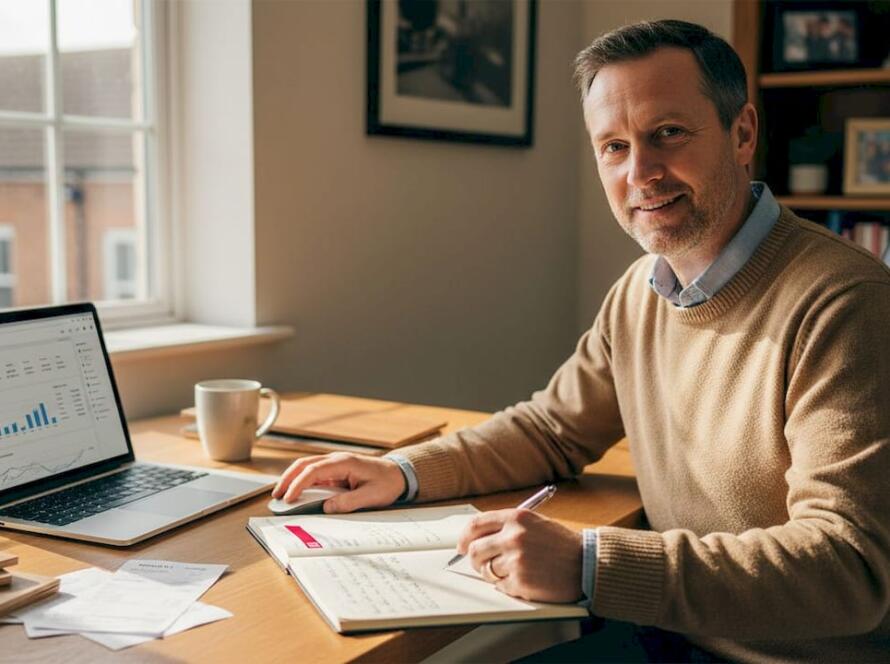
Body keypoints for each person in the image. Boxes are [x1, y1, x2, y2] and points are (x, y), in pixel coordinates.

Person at [273, 19, 890, 662]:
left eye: (668, 134)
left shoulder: (844, 302)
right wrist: (402, 472)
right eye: (614, 147)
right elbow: (551, 430)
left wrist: (592, 563)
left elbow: (848, 568)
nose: (640, 173)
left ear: (742, 134)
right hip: (664, 637)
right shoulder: (640, 291)